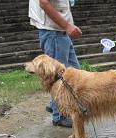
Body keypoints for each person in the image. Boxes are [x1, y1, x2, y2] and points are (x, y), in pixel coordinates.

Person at [28, 0, 82, 128]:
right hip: (54, 32)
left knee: (75, 73)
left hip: (59, 32)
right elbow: (44, 3)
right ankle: (60, 115)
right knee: (59, 77)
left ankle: (54, 106)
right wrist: (68, 26)